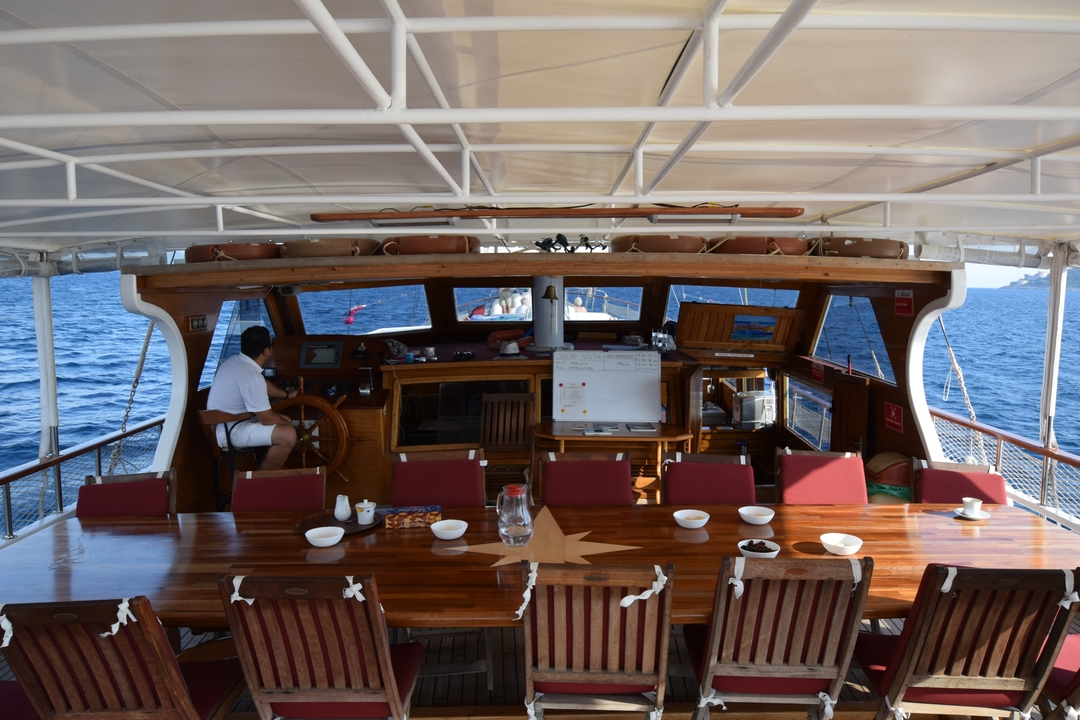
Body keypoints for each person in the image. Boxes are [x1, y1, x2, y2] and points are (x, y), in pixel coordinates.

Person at [207, 326, 297, 470]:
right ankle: (260, 481)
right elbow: (266, 418)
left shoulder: (234, 362)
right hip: (229, 432)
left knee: (286, 420)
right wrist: (288, 427)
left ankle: (260, 473)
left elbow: (262, 384)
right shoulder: (252, 377)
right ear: (266, 351)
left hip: (223, 425)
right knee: (288, 435)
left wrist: (285, 394)